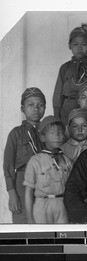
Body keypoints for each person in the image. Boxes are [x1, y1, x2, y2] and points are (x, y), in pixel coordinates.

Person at [3, 87, 46, 224]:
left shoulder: (50, 131)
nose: (36, 109)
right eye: (30, 105)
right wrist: (12, 193)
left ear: (45, 108)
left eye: (40, 105)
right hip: (22, 183)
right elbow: (8, 166)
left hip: (47, 182)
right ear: (22, 109)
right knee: (24, 224)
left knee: (46, 224)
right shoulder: (15, 134)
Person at [23, 116, 72, 223]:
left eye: (60, 132)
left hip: (62, 205)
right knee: (43, 238)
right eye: (52, 132)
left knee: (62, 237)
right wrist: (30, 219)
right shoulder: (35, 161)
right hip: (42, 205)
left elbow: (72, 188)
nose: (57, 136)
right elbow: (28, 192)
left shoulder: (67, 160)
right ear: (43, 138)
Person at [52, 27, 87, 125]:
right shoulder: (64, 68)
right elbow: (58, 94)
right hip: (67, 108)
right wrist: (57, 116)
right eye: (75, 44)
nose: (79, 48)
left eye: (84, 44)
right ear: (69, 45)